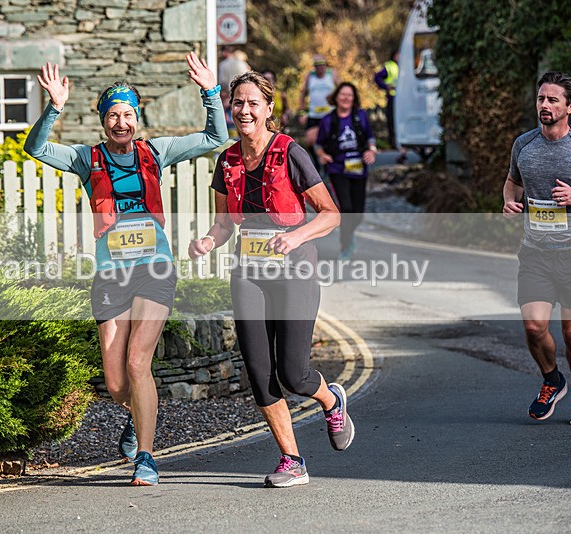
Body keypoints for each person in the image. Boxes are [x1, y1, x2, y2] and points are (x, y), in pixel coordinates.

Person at [24, 52, 229, 485]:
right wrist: (54, 106)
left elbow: (215, 138)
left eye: (128, 114)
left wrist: (210, 91)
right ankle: (137, 417)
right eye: (113, 115)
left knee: (139, 362)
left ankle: (148, 458)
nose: (121, 122)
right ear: (103, 121)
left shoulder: (157, 151)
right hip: (110, 275)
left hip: (155, 268)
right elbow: (36, 148)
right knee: (118, 383)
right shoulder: (86, 159)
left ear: (137, 119)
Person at [188, 71, 353, 488]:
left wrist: (296, 234)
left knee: (294, 374)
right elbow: (224, 224)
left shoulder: (289, 153)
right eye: (237, 103)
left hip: (295, 270)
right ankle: (292, 460)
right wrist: (208, 241)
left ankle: (331, 400)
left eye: (252, 103)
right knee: (260, 373)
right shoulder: (226, 161)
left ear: (268, 109)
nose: (244, 110)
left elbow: (330, 214)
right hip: (250, 275)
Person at [502, 71, 571, 425]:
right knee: (533, 326)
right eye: (541, 98)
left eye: (553, 100)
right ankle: (552, 380)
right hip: (536, 252)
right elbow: (512, 182)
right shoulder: (523, 145)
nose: (544, 105)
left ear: (570, 107)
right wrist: (509, 202)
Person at [314, 82, 377, 260]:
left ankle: (349, 235)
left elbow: (370, 138)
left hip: (359, 169)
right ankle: (345, 244)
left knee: (358, 213)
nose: (346, 98)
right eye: (343, 95)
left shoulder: (361, 117)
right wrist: (322, 155)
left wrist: (372, 151)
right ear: (336, 97)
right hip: (337, 169)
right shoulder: (328, 120)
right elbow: (319, 145)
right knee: (346, 209)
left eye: (349, 95)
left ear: (354, 98)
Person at [374, 49, 408, 164]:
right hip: (393, 98)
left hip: (403, 98)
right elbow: (377, 77)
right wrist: (385, 86)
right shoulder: (390, 66)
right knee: (393, 121)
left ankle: (403, 143)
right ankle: (394, 143)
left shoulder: (405, 65)